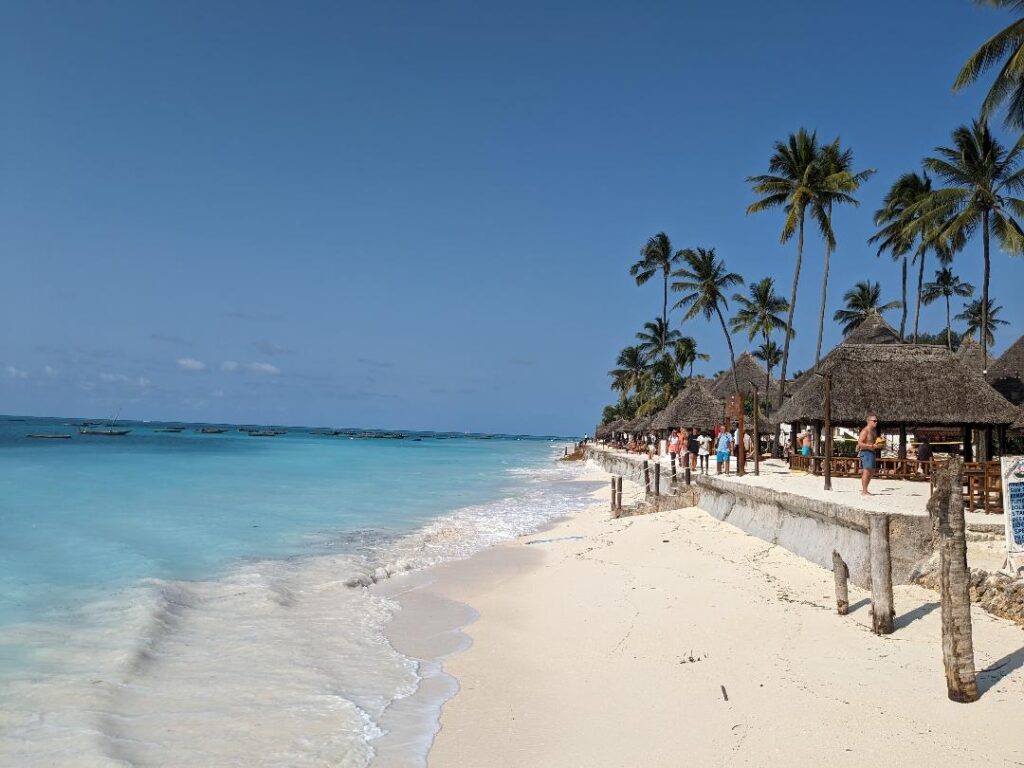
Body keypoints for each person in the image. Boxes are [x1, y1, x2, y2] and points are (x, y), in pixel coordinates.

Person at [857, 413, 880, 496]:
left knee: (872, 471)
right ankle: (864, 491)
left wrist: (880, 443)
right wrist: (871, 446)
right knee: (866, 471)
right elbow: (860, 443)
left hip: (872, 452)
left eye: (877, 421)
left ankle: (865, 489)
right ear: (868, 421)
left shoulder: (874, 431)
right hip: (866, 452)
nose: (876, 422)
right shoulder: (865, 431)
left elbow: (875, 442)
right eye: (874, 421)